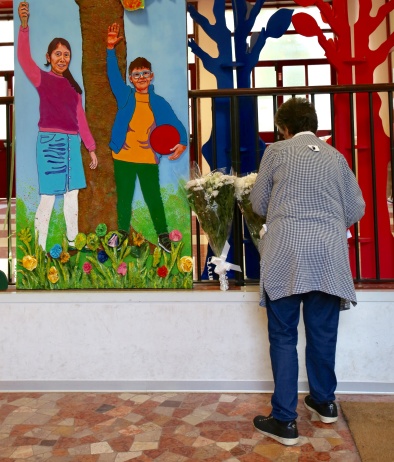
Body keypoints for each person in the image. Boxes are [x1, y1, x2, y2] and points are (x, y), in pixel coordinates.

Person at [250, 97, 365, 446]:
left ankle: (285, 421)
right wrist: (328, 225)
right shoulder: (336, 157)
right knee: (323, 333)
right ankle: (325, 402)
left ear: (283, 128)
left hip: (286, 253)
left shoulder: (276, 152)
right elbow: (357, 206)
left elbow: (257, 203)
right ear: (314, 125)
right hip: (329, 257)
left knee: (283, 335)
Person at [17, 2, 98, 251]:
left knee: (72, 195)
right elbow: (22, 58)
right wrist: (23, 26)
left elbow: (80, 120)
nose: (62, 58)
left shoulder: (73, 89)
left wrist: (91, 148)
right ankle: (39, 249)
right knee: (49, 197)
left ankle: (73, 243)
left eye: (66, 54)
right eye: (58, 54)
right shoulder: (42, 79)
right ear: (48, 57)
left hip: (72, 143)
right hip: (50, 143)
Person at [106, 23, 187, 253]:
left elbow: (176, 124)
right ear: (131, 79)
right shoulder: (125, 96)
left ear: (151, 76)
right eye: (136, 74)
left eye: (145, 73)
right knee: (125, 197)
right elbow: (113, 77)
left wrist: (182, 142)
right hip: (123, 155)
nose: (141, 77)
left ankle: (163, 236)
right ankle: (122, 233)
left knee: (154, 198)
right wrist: (110, 49)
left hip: (148, 158)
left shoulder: (158, 103)